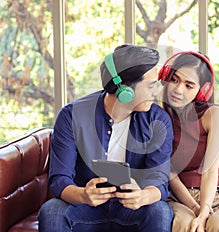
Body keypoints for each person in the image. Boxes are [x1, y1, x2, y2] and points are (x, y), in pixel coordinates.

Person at [38, 44, 174, 232]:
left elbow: (159, 178)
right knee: (51, 210)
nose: (156, 92)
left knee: (160, 211)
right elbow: (60, 178)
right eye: (151, 85)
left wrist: (143, 196)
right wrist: (83, 195)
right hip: (86, 208)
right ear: (125, 89)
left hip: (131, 210)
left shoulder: (158, 119)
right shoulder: (72, 115)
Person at [158, 51, 219, 232]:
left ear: (202, 91)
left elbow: (209, 169)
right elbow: (170, 172)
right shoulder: (160, 116)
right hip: (180, 199)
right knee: (184, 224)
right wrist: (195, 209)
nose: (178, 89)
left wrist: (205, 211)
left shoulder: (215, 115)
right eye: (174, 80)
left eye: (189, 85)